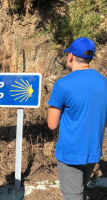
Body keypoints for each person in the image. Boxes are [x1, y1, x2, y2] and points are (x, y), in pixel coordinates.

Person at [47, 37, 107, 200]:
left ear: (71, 56)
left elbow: (52, 124)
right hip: (92, 151)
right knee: (79, 189)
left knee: (73, 196)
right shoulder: (104, 82)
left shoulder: (62, 85)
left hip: (70, 153)